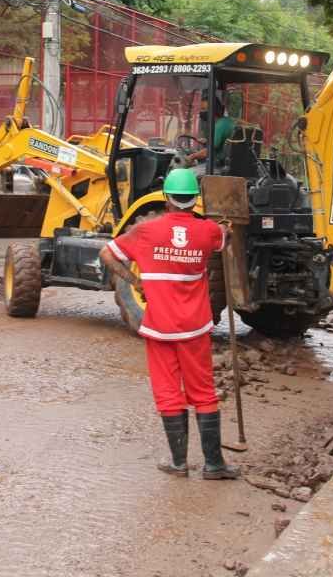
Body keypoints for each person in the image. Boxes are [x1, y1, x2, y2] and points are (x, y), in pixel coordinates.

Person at [98, 167, 241, 480]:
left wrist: (134, 280)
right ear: (194, 199)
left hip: (159, 326)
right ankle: (214, 465)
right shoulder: (208, 232)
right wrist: (226, 227)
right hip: (195, 327)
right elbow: (225, 239)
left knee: (167, 392)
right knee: (203, 392)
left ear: (167, 199)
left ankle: (179, 464)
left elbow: (107, 253)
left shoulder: (146, 231)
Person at [188, 92, 236, 171]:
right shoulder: (226, 121)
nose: (201, 112)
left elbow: (208, 151)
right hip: (226, 165)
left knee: (189, 173)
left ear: (213, 110)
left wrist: (192, 156)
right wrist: (207, 142)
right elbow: (219, 143)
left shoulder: (220, 125)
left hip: (218, 167)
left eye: (203, 109)